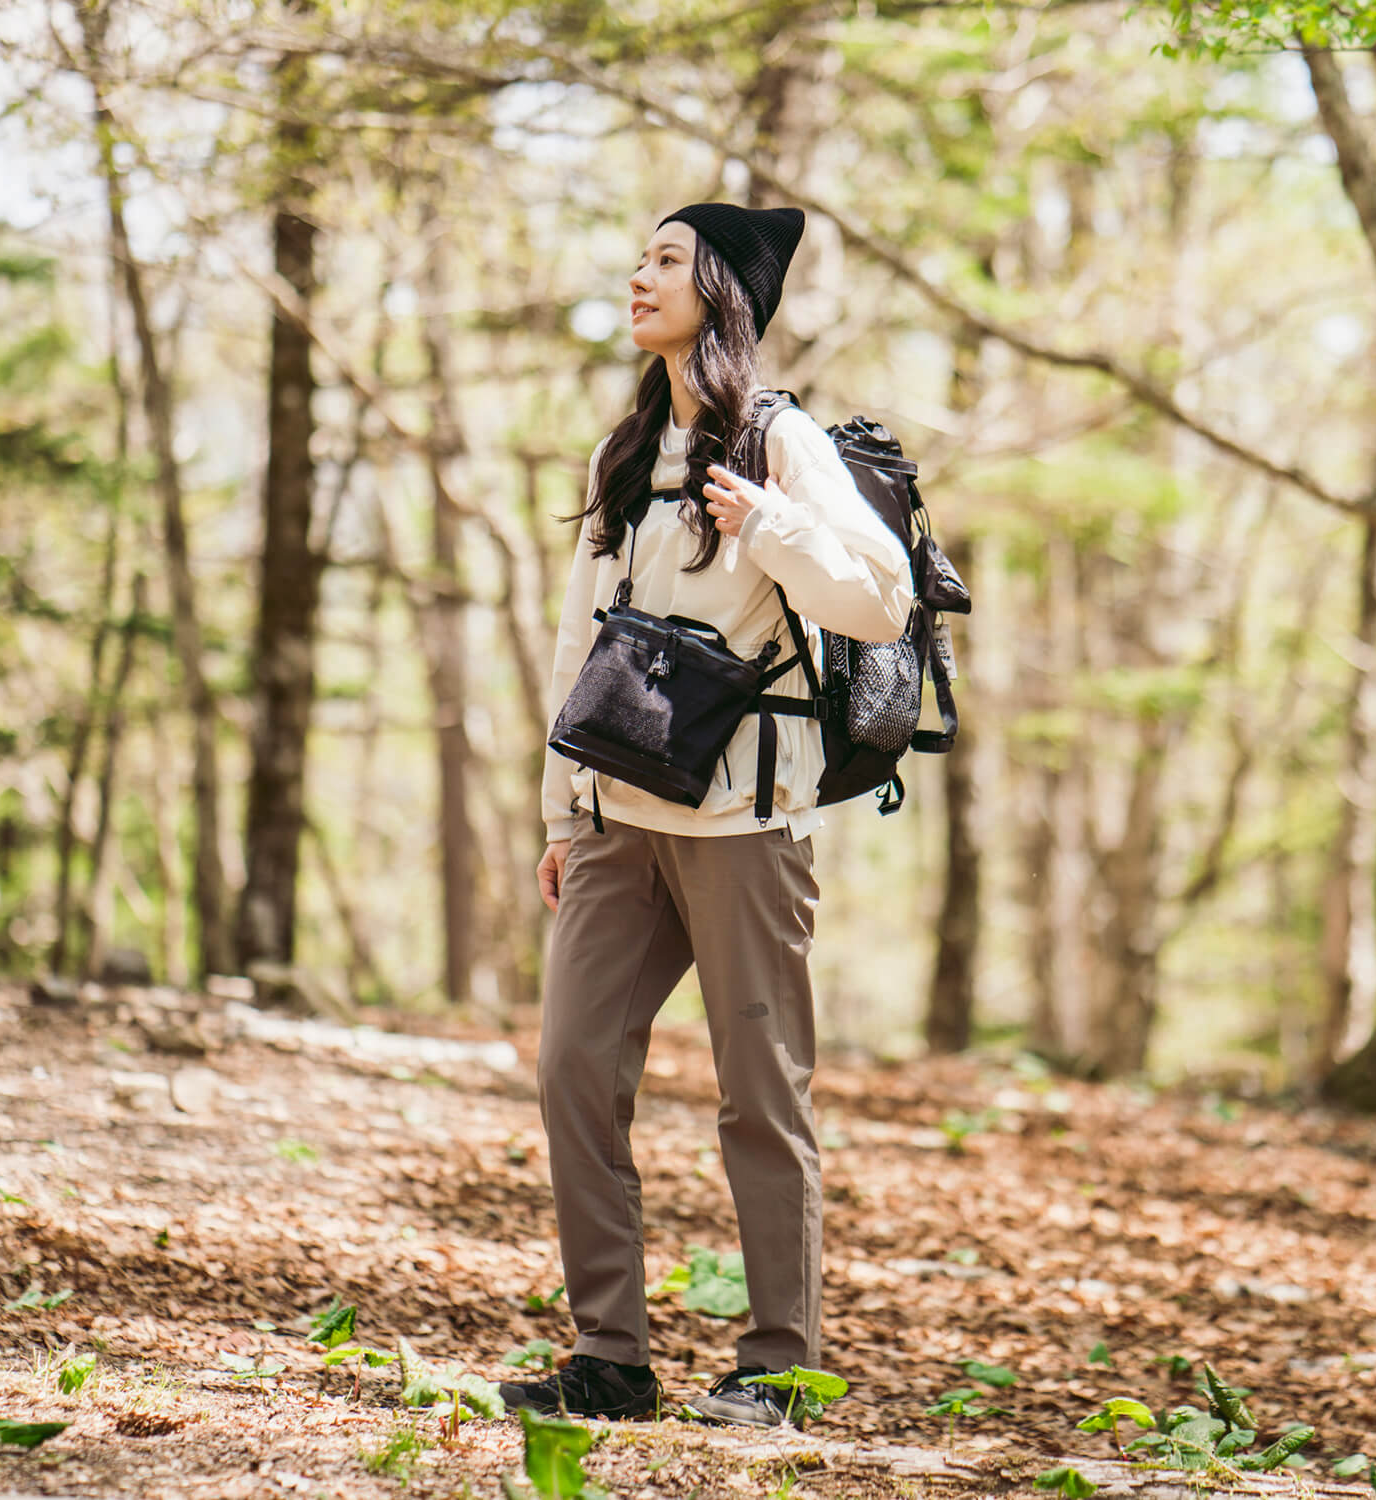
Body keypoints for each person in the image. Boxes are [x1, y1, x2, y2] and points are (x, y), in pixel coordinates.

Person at [499, 202, 912, 1427]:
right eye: (637, 256)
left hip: (745, 822)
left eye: (666, 261)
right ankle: (610, 1359)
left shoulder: (780, 442)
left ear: (720, 292)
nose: (638, 275)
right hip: (622, 812)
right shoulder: (623, 453)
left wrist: (770, 525)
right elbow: (581, 636)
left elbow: (879, 602)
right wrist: (563, 810)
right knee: (573, 1064)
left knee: (760, 1096)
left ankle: (776, 1367)